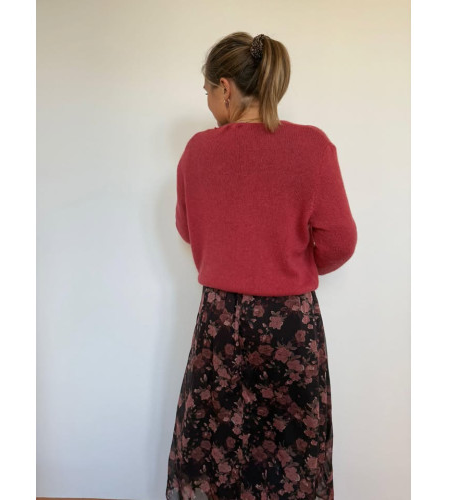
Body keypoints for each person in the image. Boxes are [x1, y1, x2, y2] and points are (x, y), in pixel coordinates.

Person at [166, 32, 357, 500]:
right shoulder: (312, 147)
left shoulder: (197, 151)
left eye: (208, 90)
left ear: (225, 87)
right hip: (289, 325)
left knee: (214, 446)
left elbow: (189, 230)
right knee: (292, 449)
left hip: (219, 322)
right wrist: (286, 263)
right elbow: (340, 242)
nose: (208, 102)